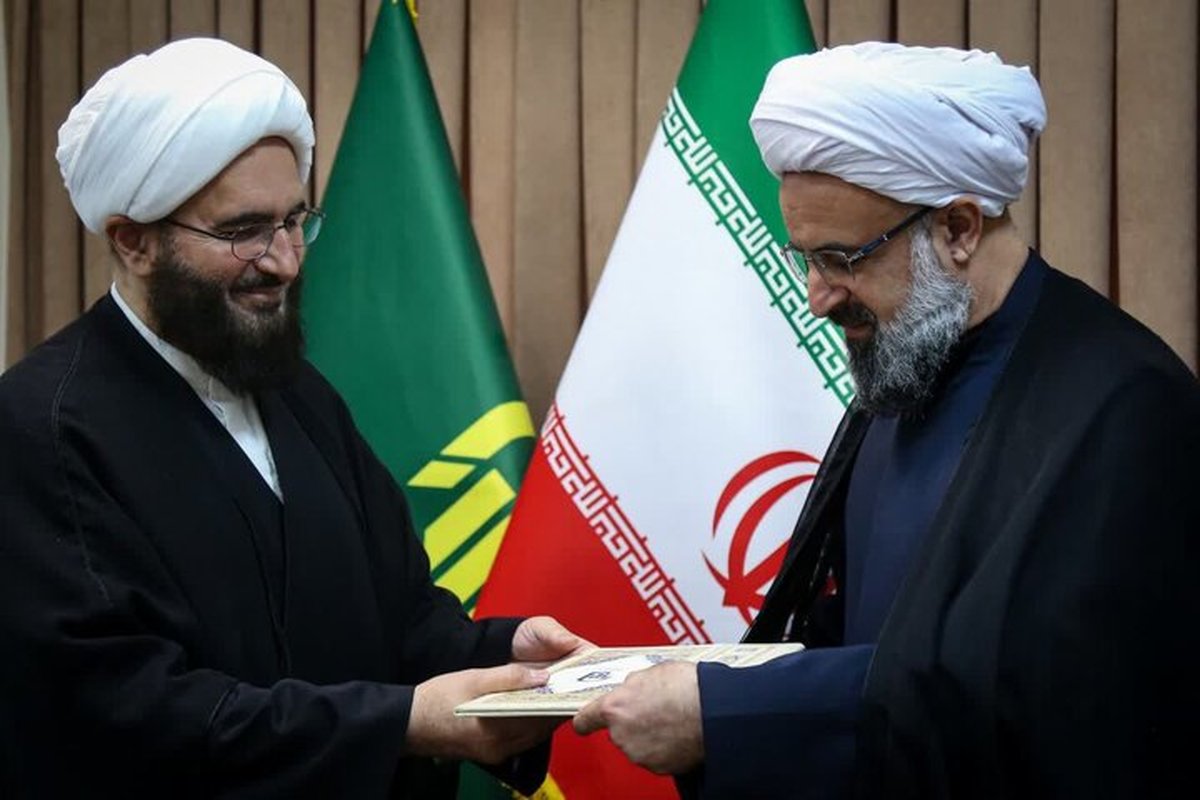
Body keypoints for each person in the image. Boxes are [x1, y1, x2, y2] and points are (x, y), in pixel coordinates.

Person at [574, 42, 1200, 798]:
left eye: (842, 259)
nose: (817, 297)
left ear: (959, 228)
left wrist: (728, 716)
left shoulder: (1124, 406)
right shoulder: (908, 364)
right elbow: (861, 631)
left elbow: (1038, 700)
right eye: (805, 259)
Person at [0, 38, 586, 798]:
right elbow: (124, 712)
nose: (282, 260)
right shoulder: (43, 431)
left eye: (293, 220)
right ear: (134, 241)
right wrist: (403, 723)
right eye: (243, 230)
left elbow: (401, 617)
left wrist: (508, 656)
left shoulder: (300, 397)